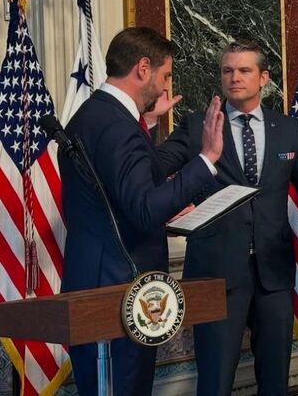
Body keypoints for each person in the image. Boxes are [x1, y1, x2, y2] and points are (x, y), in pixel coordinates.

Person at [155, 39, 298, 396]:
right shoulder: (198, 126)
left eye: (244, 70)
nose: (235, 78)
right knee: (215, 382)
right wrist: (148, 121)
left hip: (273, 271)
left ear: (264, 78)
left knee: (275, 381)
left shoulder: (288, 128)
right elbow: (154, 168)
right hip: (215, 271)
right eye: (227, 71)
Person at [59, 27, 224, 395]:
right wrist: (207, 158)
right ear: (143, 68)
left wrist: (145, 126)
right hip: (120, 291)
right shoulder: (118, 127)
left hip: (94, 282)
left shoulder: (94, 115)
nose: (165, 89)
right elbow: (145, 209)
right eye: (165, 76)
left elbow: (121, 187)